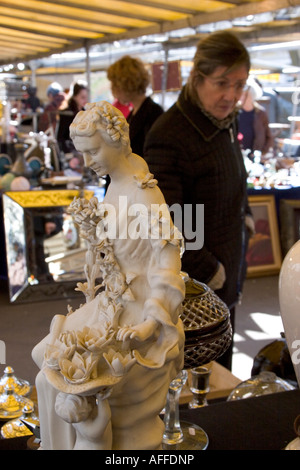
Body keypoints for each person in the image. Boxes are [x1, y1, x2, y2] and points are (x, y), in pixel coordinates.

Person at [32, 101, 185, 450]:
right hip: (114, 299)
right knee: (43, 357)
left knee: (51, 364)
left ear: (116, 141)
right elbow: (114, 251)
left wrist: (151, 322)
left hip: (139, 307)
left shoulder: (144, 193)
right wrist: (93, 231)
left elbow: (168, 258)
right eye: (82, 154)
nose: (87, 163)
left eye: (93, 151)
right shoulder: (116, 181)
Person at [144, 31, 254, 370]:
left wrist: (246, 216)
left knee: (222, 369)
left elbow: (237, 178)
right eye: (222, 83)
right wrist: (211, 270)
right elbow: (170, 222)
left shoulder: (221, 122)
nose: (231, 96)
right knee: (195, 383)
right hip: (193, 290)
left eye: (239, 85)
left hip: (225, 274)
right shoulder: (170, 135)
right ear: (197, 77)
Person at [107, 55, 164, 157]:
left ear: (125, 85)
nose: (113, 90)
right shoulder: (135, 112)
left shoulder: (152, 113)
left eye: (115, 85)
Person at [238, 76, 273, 156]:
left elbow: (268, 136)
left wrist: (263, 152)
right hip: (239, 154)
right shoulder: (235, 112)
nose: (242, 98)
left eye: (245, 95)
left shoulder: (260, 113)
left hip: (255, 154)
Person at [56, 80, 89, 153]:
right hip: (71, 151)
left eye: (86, 97)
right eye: (82, 97)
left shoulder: (85, 112)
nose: (85, 100)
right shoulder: (66, 113)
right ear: (75, 96)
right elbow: (60, 137)